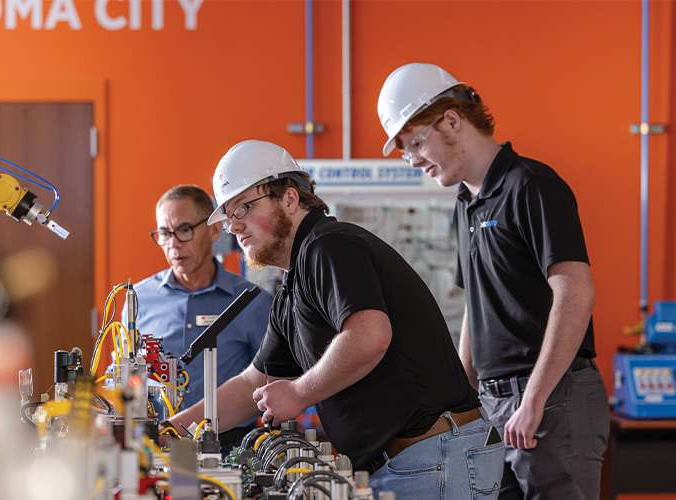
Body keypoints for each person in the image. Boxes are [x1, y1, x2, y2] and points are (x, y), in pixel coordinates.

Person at [163, 140, 505, 499]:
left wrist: (299, 392)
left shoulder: (329, 246)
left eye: (244, 208)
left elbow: (370, 335)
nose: (234, 227)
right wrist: (174, 428)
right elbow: (255, 382)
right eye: (229, 216)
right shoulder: (292, 286)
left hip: (433, 454)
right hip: (410, 461)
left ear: (290, 199)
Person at [377, 63, 610, 499]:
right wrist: (462, 400)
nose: (413, 160)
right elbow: (476, 308)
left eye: (416, 143)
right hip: (494, 401)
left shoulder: (531, 185)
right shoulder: (465, 203)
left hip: (551, 397)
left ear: (451, 120)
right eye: (406, 150)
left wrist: (534, 399)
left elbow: (575, 291)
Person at [122, 185, 272, 452]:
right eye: (165, 234)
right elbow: (122, 375)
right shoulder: (139, 300)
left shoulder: (253, 302)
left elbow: (271, 382)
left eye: (184, 230)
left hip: (231, 446)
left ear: (214, 229)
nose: (174, 244)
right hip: (159, 445)